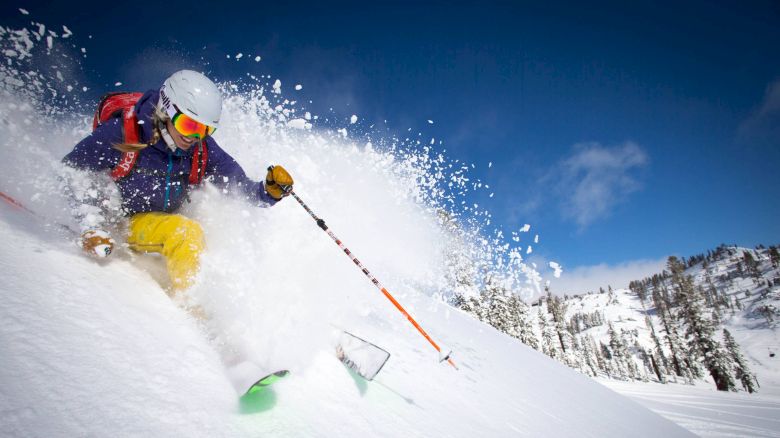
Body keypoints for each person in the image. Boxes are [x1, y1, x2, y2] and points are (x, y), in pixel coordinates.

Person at [63, 70, 293, 293]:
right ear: (166, 109)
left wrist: (269, 192)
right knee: (185, 234)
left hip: (167, 218)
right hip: (126, 222)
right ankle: (191, 304)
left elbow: (237, 187)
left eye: (204, 129)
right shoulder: (121, 134)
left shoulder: (201, 149)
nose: (192, 137)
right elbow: (73, 171)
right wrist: (90, 225)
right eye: (188, 125)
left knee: (213, 240)